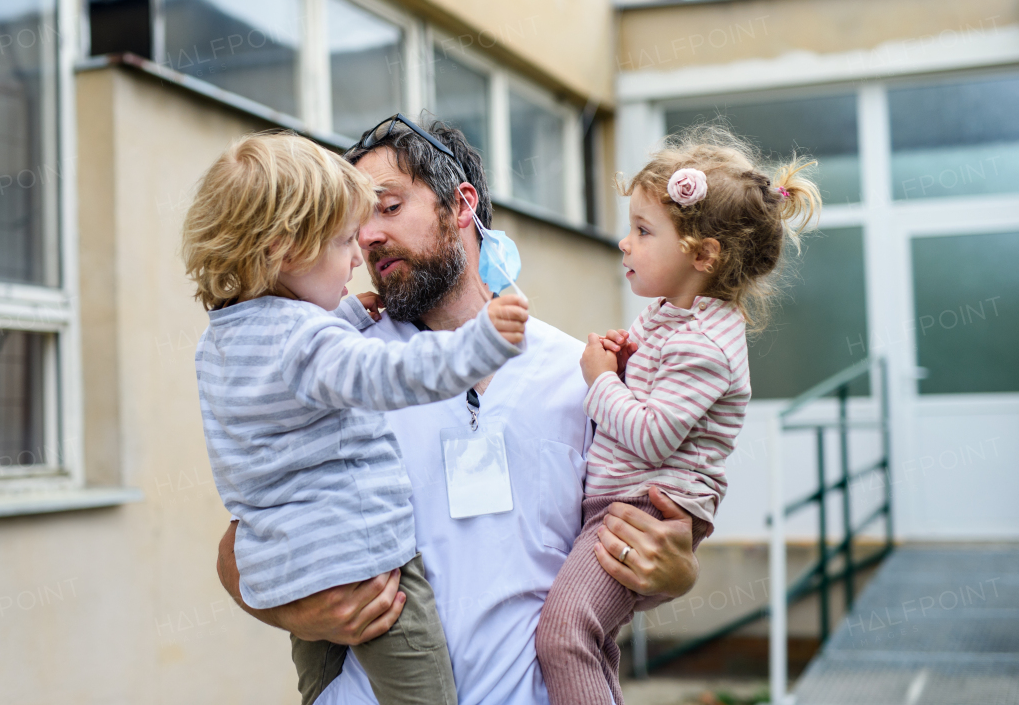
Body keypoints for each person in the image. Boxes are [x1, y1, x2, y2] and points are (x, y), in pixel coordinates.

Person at [216, 115, 703, 705]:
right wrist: (301, 611)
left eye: (388, 208)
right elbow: (242, 547)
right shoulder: (342, 366)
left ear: (461, 204)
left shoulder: (583, 374)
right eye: (355, 224)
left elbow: (636, 535)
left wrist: (674, 575)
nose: (366, 237)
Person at [183, 133, 530, 705]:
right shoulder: (315, 340)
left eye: (388, 207)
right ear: (284, 249)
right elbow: (384, 374)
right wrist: (482, 343)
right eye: (345, 238)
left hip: (290, 565)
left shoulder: (219, 343)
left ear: (461, 205)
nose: (359, 251)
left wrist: (341, 314)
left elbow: (288, 384)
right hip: (368, 564)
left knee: (318, 690)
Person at [535, 127, 821, 704]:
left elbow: (650, 435)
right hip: (626, 502)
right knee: (590, 641)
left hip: (645, 507)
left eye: (643, 231)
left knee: (565, 636)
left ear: (703, 254)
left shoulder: (708, 344)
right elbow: (652, 397)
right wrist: (628, 361)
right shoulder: (670, 318)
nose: (624, 243)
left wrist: (602, 380)